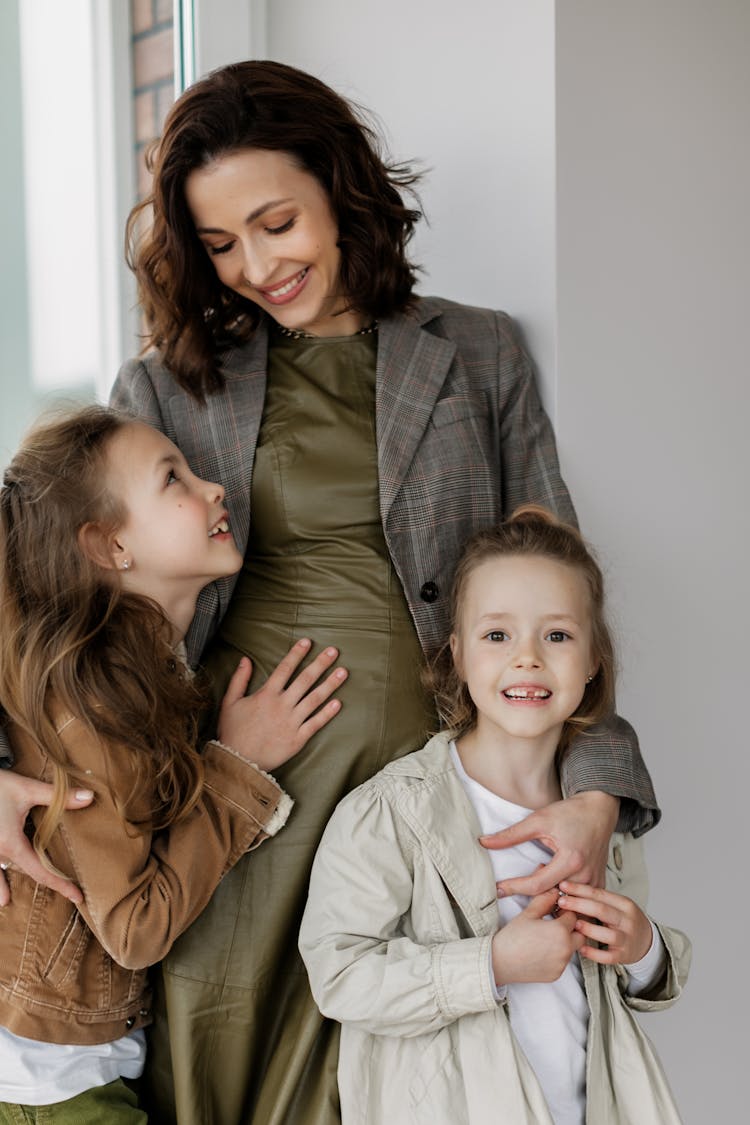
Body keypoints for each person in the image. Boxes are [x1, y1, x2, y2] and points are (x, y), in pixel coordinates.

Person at [0, 61, 659, 1124]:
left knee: (416, 1072)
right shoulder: (163, 387)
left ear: (342, 191)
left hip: (432, 798)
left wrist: (598, 797)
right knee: (236, 1074)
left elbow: (563, 601)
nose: (256, 266)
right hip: (245, 797)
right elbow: (40, 593)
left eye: (276, 223)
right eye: (219, 244)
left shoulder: (478, 351)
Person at [0, 406, 346, 1121]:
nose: (215, 487)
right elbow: (133, 929)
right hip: (50, 1083)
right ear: (110, 543)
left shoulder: (134, 675)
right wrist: (238, 766)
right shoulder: (100, 711)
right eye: (173, 479)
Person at [299, 506, 690, 1125]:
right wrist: (492, 965)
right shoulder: (391, 812)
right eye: (497, 635)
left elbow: (625, 985)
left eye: (557, 635)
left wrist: (644, 950)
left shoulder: (600, 819)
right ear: (457, 653)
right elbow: (339, 974)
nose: (528, 659)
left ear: (593, 660)